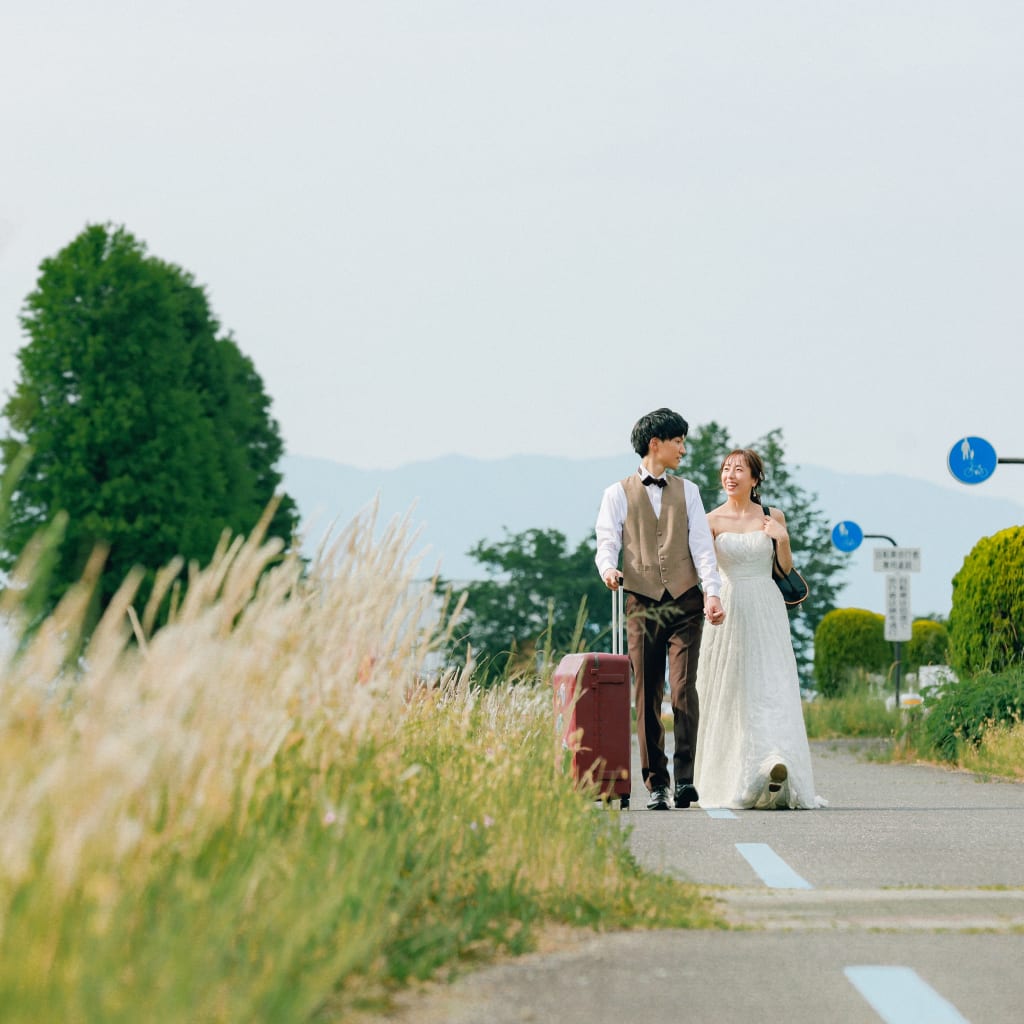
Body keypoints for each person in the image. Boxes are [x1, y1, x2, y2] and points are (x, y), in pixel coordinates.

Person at [595, 408, 725, 811]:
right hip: (641, 602)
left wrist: (712, 592)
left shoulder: (688, 491)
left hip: (686, 600)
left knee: (683, 688)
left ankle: (686, 779)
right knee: (647, 692)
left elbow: (702, 547)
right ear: (656, 444)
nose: (683, 449)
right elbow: (606, 541)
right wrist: (608, 569)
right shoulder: (616, 493)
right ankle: (656, 783)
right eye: (678, 442)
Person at [693, 449, 826, 810]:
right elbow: (705, 569)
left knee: (771, 685)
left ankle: (774, 761)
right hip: (729, 604)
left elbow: (783, 569)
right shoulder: (710, 520)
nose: (730, 475)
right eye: (725, 469)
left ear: (755, 479)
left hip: (766, 606)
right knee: (733, 689)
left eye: (739, 469)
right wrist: (711, 598)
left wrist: (781, 538)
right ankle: (736, 777)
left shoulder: (772, 516)